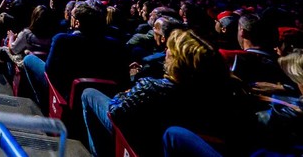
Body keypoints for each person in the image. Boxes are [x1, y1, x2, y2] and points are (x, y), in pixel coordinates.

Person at [81, 29, 240, 157]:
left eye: (170, 49)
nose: (166, 52)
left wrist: (124, 93)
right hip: (161, 147)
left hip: (139, 143)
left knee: (89, 93)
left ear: (178, 61)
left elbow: (115, 112)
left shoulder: (152, 87)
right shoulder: (220, 93)